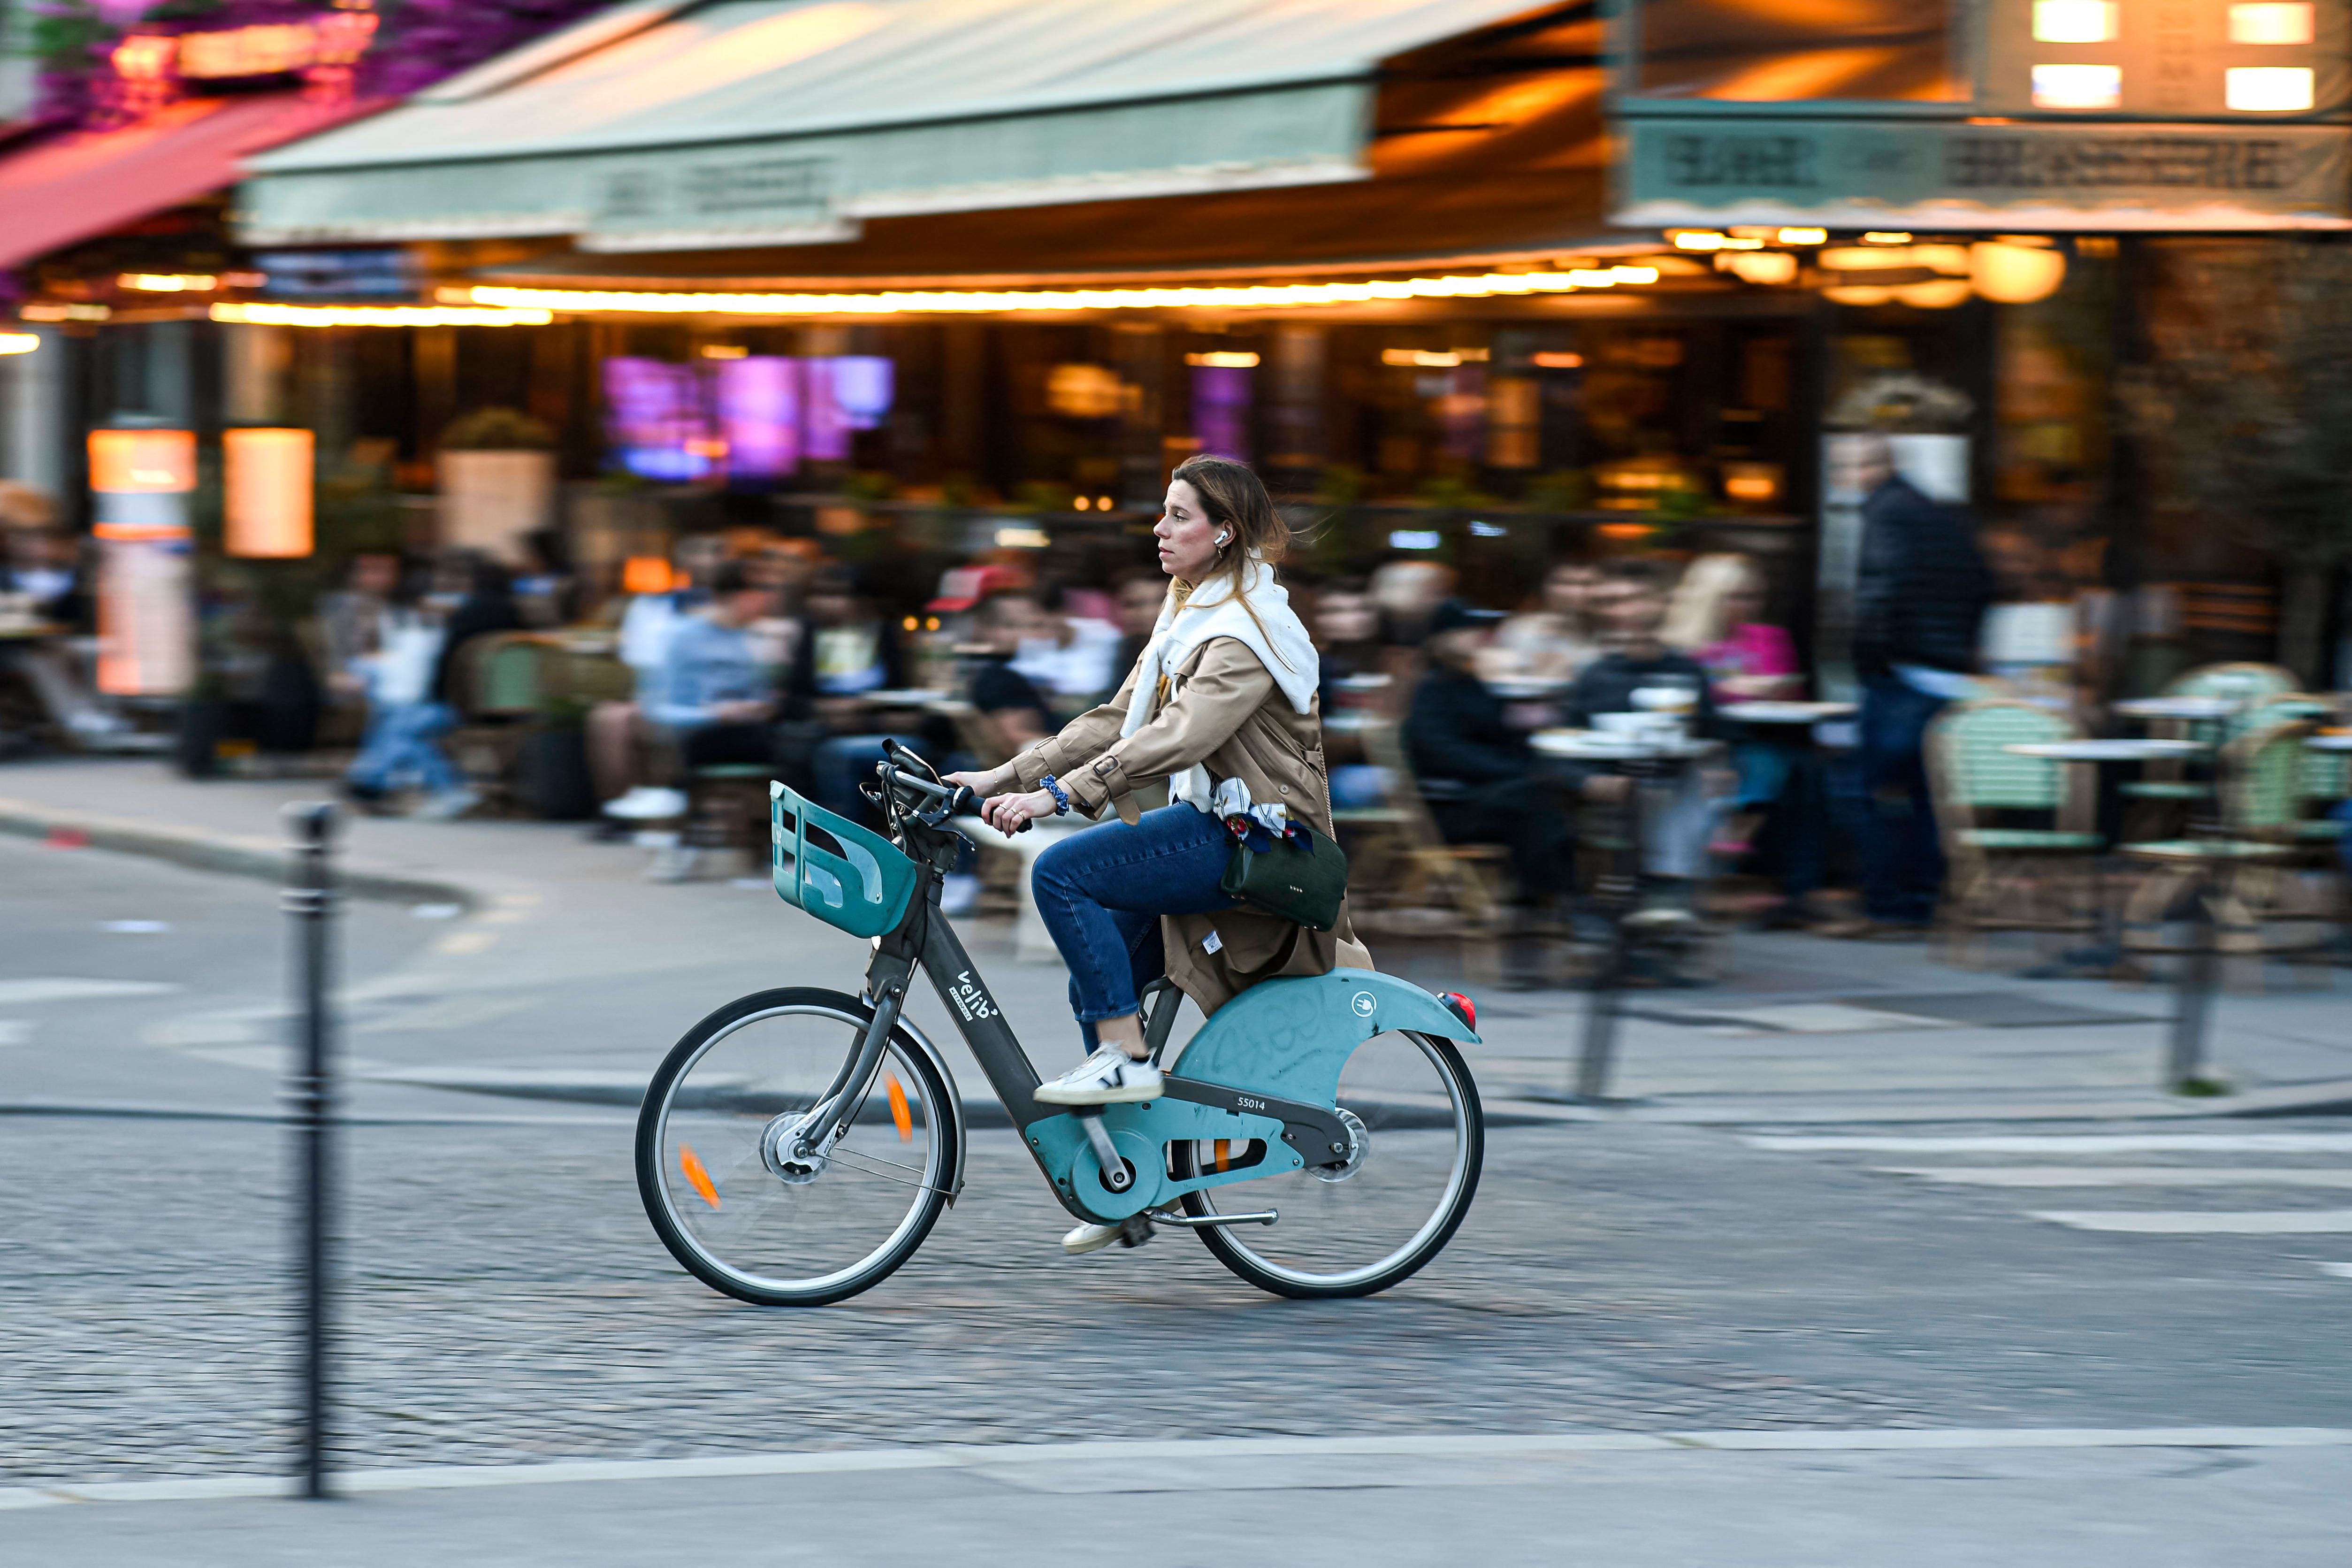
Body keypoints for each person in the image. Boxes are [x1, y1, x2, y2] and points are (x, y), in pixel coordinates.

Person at [943, 455, 1372, 1257]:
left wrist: (1060, 798)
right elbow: (1116, 718)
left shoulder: (1249, 631)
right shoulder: (1192, 612)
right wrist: (998, 776)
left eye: (1178, 515)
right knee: (1097, 963)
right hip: (1214, 821)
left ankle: (1121, 1059)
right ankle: (1120, 1176)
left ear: (1223, 532)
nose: (1160, 528)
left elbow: (1182, 735)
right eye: (1164, 513)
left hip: (1259, 835)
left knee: (1062, 872)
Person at [1843, 436, 1996, 935]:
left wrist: (1869, 664)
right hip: (1945, 675)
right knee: (1929, 796)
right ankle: (1926, 900)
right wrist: (1961, 648)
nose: (1845, 476)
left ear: (1875, 465)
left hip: (1900, 674)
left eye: (1850, 465)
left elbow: (1878, 590)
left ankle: (1886, 906)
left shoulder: (1884, 511)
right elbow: (1983, 582)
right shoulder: (1939, 513)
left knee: (1876, 794)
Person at [1403, 599, 1577, 978]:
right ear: (1444, 639)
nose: (1476, 637)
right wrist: (1513, 770)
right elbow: (1442, 752)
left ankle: (1539, 909)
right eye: (1466, 630)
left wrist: (1525, 763)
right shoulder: (1433, 691)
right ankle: (1557, 907)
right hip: (1449, 805)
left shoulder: (1471, 683)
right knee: (1535, 804)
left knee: (1544, 804)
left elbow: (1502, 737)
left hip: (1487, 797)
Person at [1561, 558, 1730, 919]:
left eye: (1638, 598)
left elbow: (1715, 733)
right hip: (1607, 784)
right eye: (1614, 602)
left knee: (1690, 787)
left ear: (1662, 602)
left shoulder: (1685, 670)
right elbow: (1565, 739)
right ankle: (1653, 901)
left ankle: (1662, 896)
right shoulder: (1596, 674)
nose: (1628, 611)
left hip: (1670, 781)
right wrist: (1587, 780)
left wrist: (1721, 765)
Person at [1484, 557, 1602, 687]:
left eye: (1586, 584)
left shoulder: (1606, 630)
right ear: (1546, 587)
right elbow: (1500, 676)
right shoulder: (1520, 628)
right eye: (1563, 583)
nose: (1573, 592)